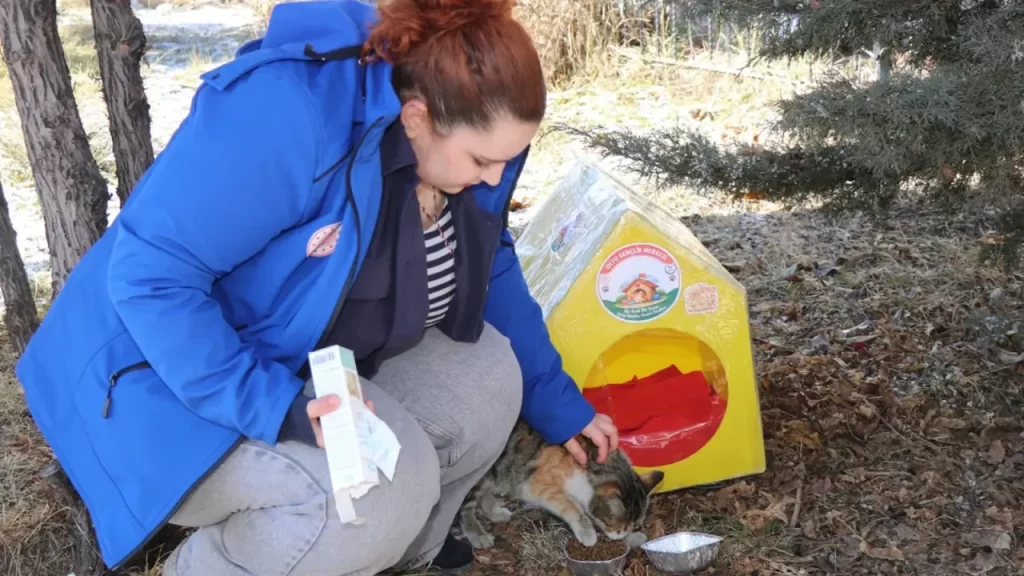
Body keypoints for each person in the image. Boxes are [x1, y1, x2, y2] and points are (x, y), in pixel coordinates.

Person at [15, 0, 620, 575]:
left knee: (489, 375)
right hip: (154, 386)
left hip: (293, 359)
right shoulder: (289, 115)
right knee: (387, 490)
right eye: (482, 162)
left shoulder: (460, 141)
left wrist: (559, 405)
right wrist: (277, 407)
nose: (495, 178)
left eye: (507, 160)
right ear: (416, 118)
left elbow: (488, 262)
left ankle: (377, 548)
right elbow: (150, 280)